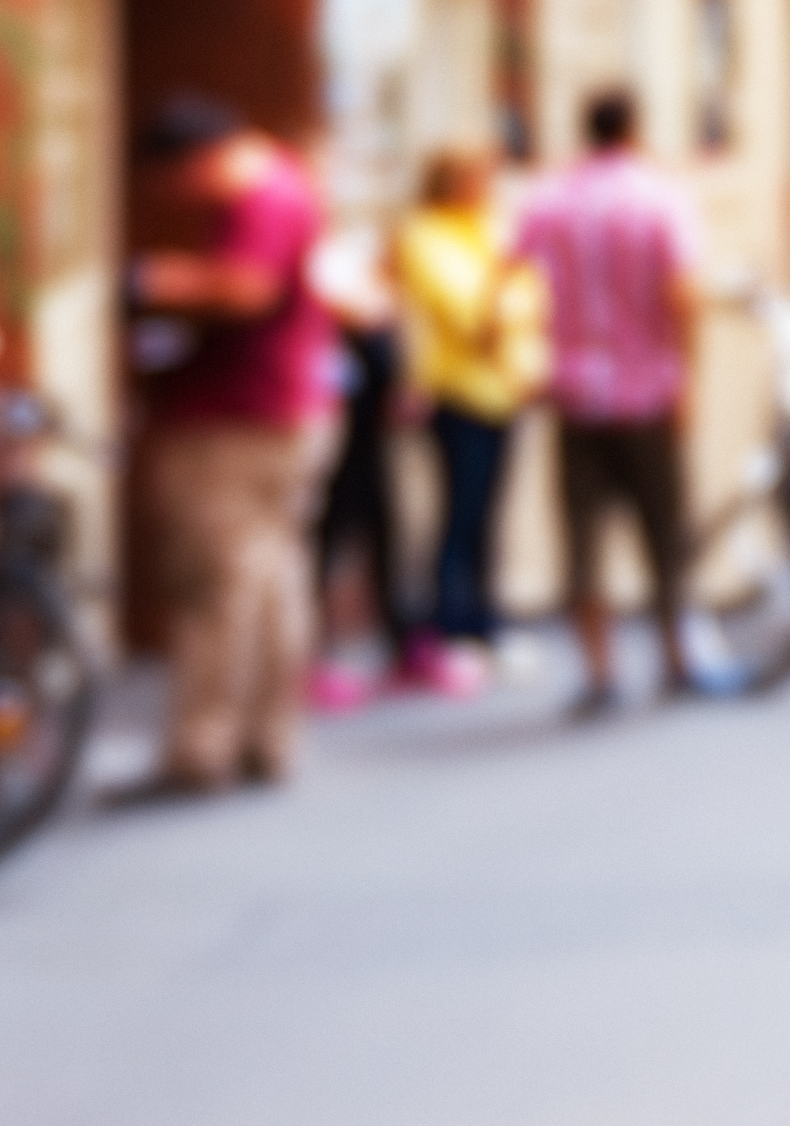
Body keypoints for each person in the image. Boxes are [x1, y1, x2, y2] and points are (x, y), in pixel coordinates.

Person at [129, 96, 335, 795]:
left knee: (218, 583)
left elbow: (246, 290)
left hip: (241, 417)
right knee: (272, 576)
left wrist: (155, 280)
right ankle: (263, 736)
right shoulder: (287, 183)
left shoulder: (259, 197)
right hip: (284, 409)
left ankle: (202, 746)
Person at [512, 86, 711, 713]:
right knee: (665, 531)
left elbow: (506, 277)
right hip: (647, 391)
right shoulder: (656, 197)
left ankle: (600, 672)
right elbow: (683, 292)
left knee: (582, 536)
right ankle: (676, 656)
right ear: (634, 128)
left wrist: (526, 355)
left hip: (576, 396)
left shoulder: (550, 198)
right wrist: (686, 376)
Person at [389, 144, 536, 696]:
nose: (484, 187)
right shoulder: (424, 234)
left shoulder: (488, 227)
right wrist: (504, 288)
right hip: (457, 391)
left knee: (489, 511)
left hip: (504, 388)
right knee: (460, 510)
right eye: (473, 178)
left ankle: (484, 621)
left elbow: (528, 301)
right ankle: (452, 624)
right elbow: (472, 314)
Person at [306, 210, 406, 709]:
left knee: (375, 528)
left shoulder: (365, 295)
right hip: (331, 435)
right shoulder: (325, 284)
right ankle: (318, 651)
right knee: (328, 534)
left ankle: (389, 641)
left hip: (364, 439)